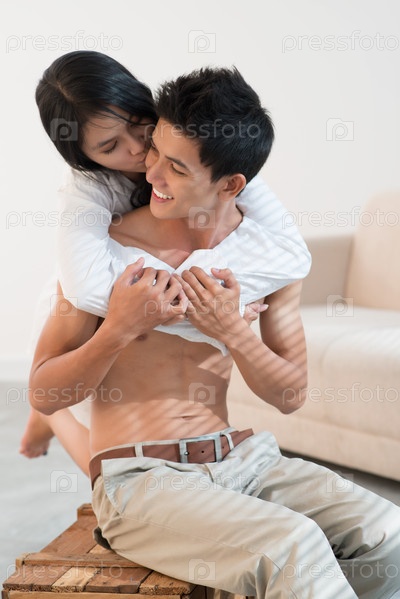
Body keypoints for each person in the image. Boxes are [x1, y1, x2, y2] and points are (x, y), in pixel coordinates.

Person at [29, 66, 400, 599]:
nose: (149, 170)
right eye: (154, 152)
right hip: (141, 479)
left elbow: (290, 396)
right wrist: (120, 328)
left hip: (242, 457)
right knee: (293, 547)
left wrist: (233, 332)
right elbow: (44, 392)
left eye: (175, 166)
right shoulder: (104, 258)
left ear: (231, 185)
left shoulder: (262, 263)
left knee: (387, 530)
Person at [21, 51, 311, 468]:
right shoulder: (90, 206)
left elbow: (286, 246)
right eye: (110, 146)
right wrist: (137, 320)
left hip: (221, 449)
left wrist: (230, 326)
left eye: (141, 127)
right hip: (80, 286)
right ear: (88, 158)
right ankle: (51, 421)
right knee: (96, 454)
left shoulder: (211, 160)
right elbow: (85, 288)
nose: (141, 152)